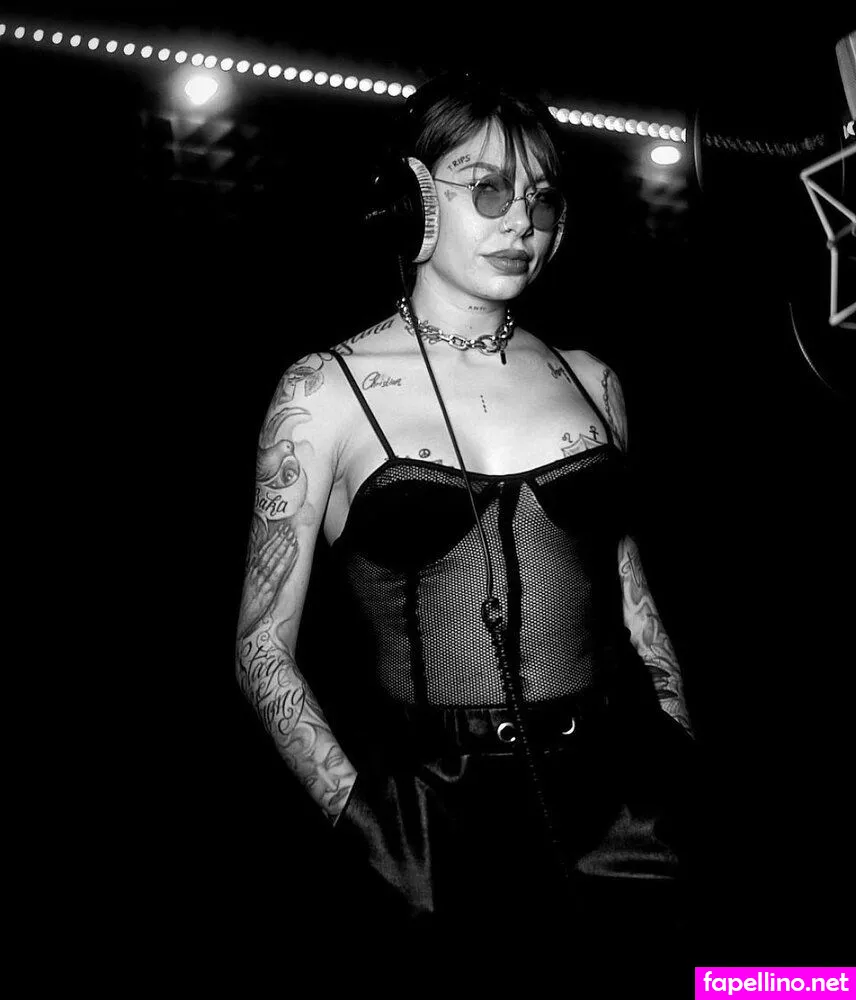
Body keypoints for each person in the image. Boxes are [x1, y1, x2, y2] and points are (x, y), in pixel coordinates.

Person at [235, 70, 697, 972]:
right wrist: (366, 823)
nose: (522, 220)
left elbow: (634, 600)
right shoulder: (323, 391)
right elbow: (260, 646)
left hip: (626, 807)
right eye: (487, 188)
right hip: (431, 830)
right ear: (415, 198)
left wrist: (676, 757)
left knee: (755, 988)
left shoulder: (593, 380)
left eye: (542, 198)